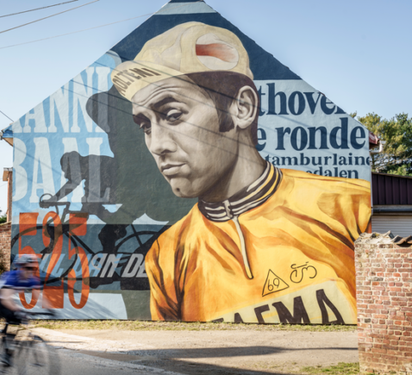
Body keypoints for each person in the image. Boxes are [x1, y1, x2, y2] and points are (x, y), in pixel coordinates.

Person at [111, 22, 372, 323]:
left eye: (172, 115)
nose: (157, 145)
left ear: (242, 108)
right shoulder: (167, 253)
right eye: (146, 126)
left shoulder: (351, 206)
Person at [0, 254, 42, 365]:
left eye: (33, 268)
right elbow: (5, 300)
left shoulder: (31, 279)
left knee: (16, 321)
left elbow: (41, 296)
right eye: (27, 268)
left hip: (8, 299)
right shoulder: (11, 277)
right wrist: (19, 310)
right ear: (21, 267)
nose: (30, 271)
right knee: (13, 318)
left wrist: (50, 310)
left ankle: (9, 346)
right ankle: (6, 353)